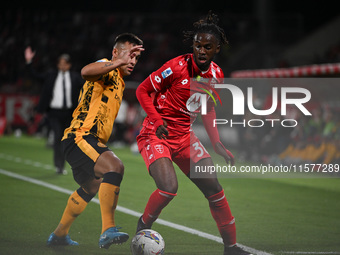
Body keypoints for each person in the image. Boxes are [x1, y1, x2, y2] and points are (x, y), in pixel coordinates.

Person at [135, 12, 251, 255]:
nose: (200, 50)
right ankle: (143, 226)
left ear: (216, 48)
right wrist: (156, 120)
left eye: (207, 47)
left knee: (215, 190)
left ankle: (231, 248)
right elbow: (143, 91)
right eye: (197, 45)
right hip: (157, 133)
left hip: (185, 136)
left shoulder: (216, 75)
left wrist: (217, 143)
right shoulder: (175, 67)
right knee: (168, 188)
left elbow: (206, 106)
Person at [46, 33, 144, 249]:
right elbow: (85, 72)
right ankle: (107, 229)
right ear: (116, 53)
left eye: (136, 58)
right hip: (80, 136)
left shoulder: (118, 81)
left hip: (90, 141)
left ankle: (59, 234)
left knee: (91, 187)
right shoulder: (106, 67)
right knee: (115, 166)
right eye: (129, 55)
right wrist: (116, 62)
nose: (132, 62)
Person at [25, 48, 83, 174]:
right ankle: (59, 166)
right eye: (60, 63)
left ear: (69, 65)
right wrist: (29, 61)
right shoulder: (51, 75)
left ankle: (63, 164)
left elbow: (88, 85)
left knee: (68, 140)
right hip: (54, 113)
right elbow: (35, 76)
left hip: (69, 114)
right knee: (58, 138)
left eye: (65, 63)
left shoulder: (75, 77)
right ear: (58, 64)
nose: (62, 65)